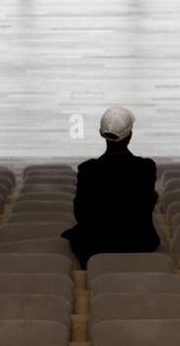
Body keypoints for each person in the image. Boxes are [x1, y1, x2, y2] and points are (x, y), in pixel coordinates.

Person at [61, 106, 159, 269]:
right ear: (130, 135)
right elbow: (147, 205)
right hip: (138, 242)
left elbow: (81, 213)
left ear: (102, 134)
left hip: (97, 245)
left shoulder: (88, 170)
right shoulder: (146, 168)